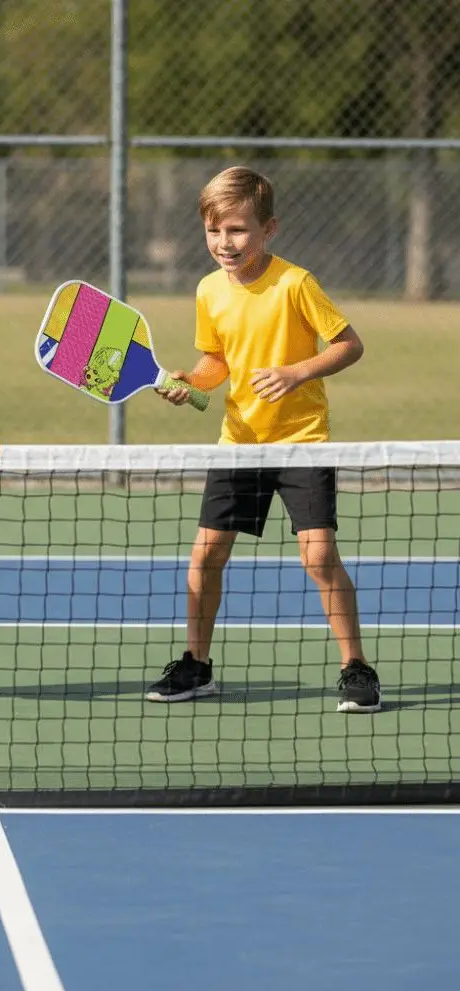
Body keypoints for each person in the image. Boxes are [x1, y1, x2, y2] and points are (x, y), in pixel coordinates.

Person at [146, 165, 381, 713]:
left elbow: (348, 345)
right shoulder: (208, 290)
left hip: (301, 440)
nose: (224, 243)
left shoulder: (296, 283)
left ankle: (357, 668)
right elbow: (216, 361)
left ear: (268, 229)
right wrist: (190, 381)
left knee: (319, 556)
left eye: (238, 230)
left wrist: (298, 372)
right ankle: (196, 666)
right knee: (205, 557)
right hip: (239, 442)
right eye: (214, 231)